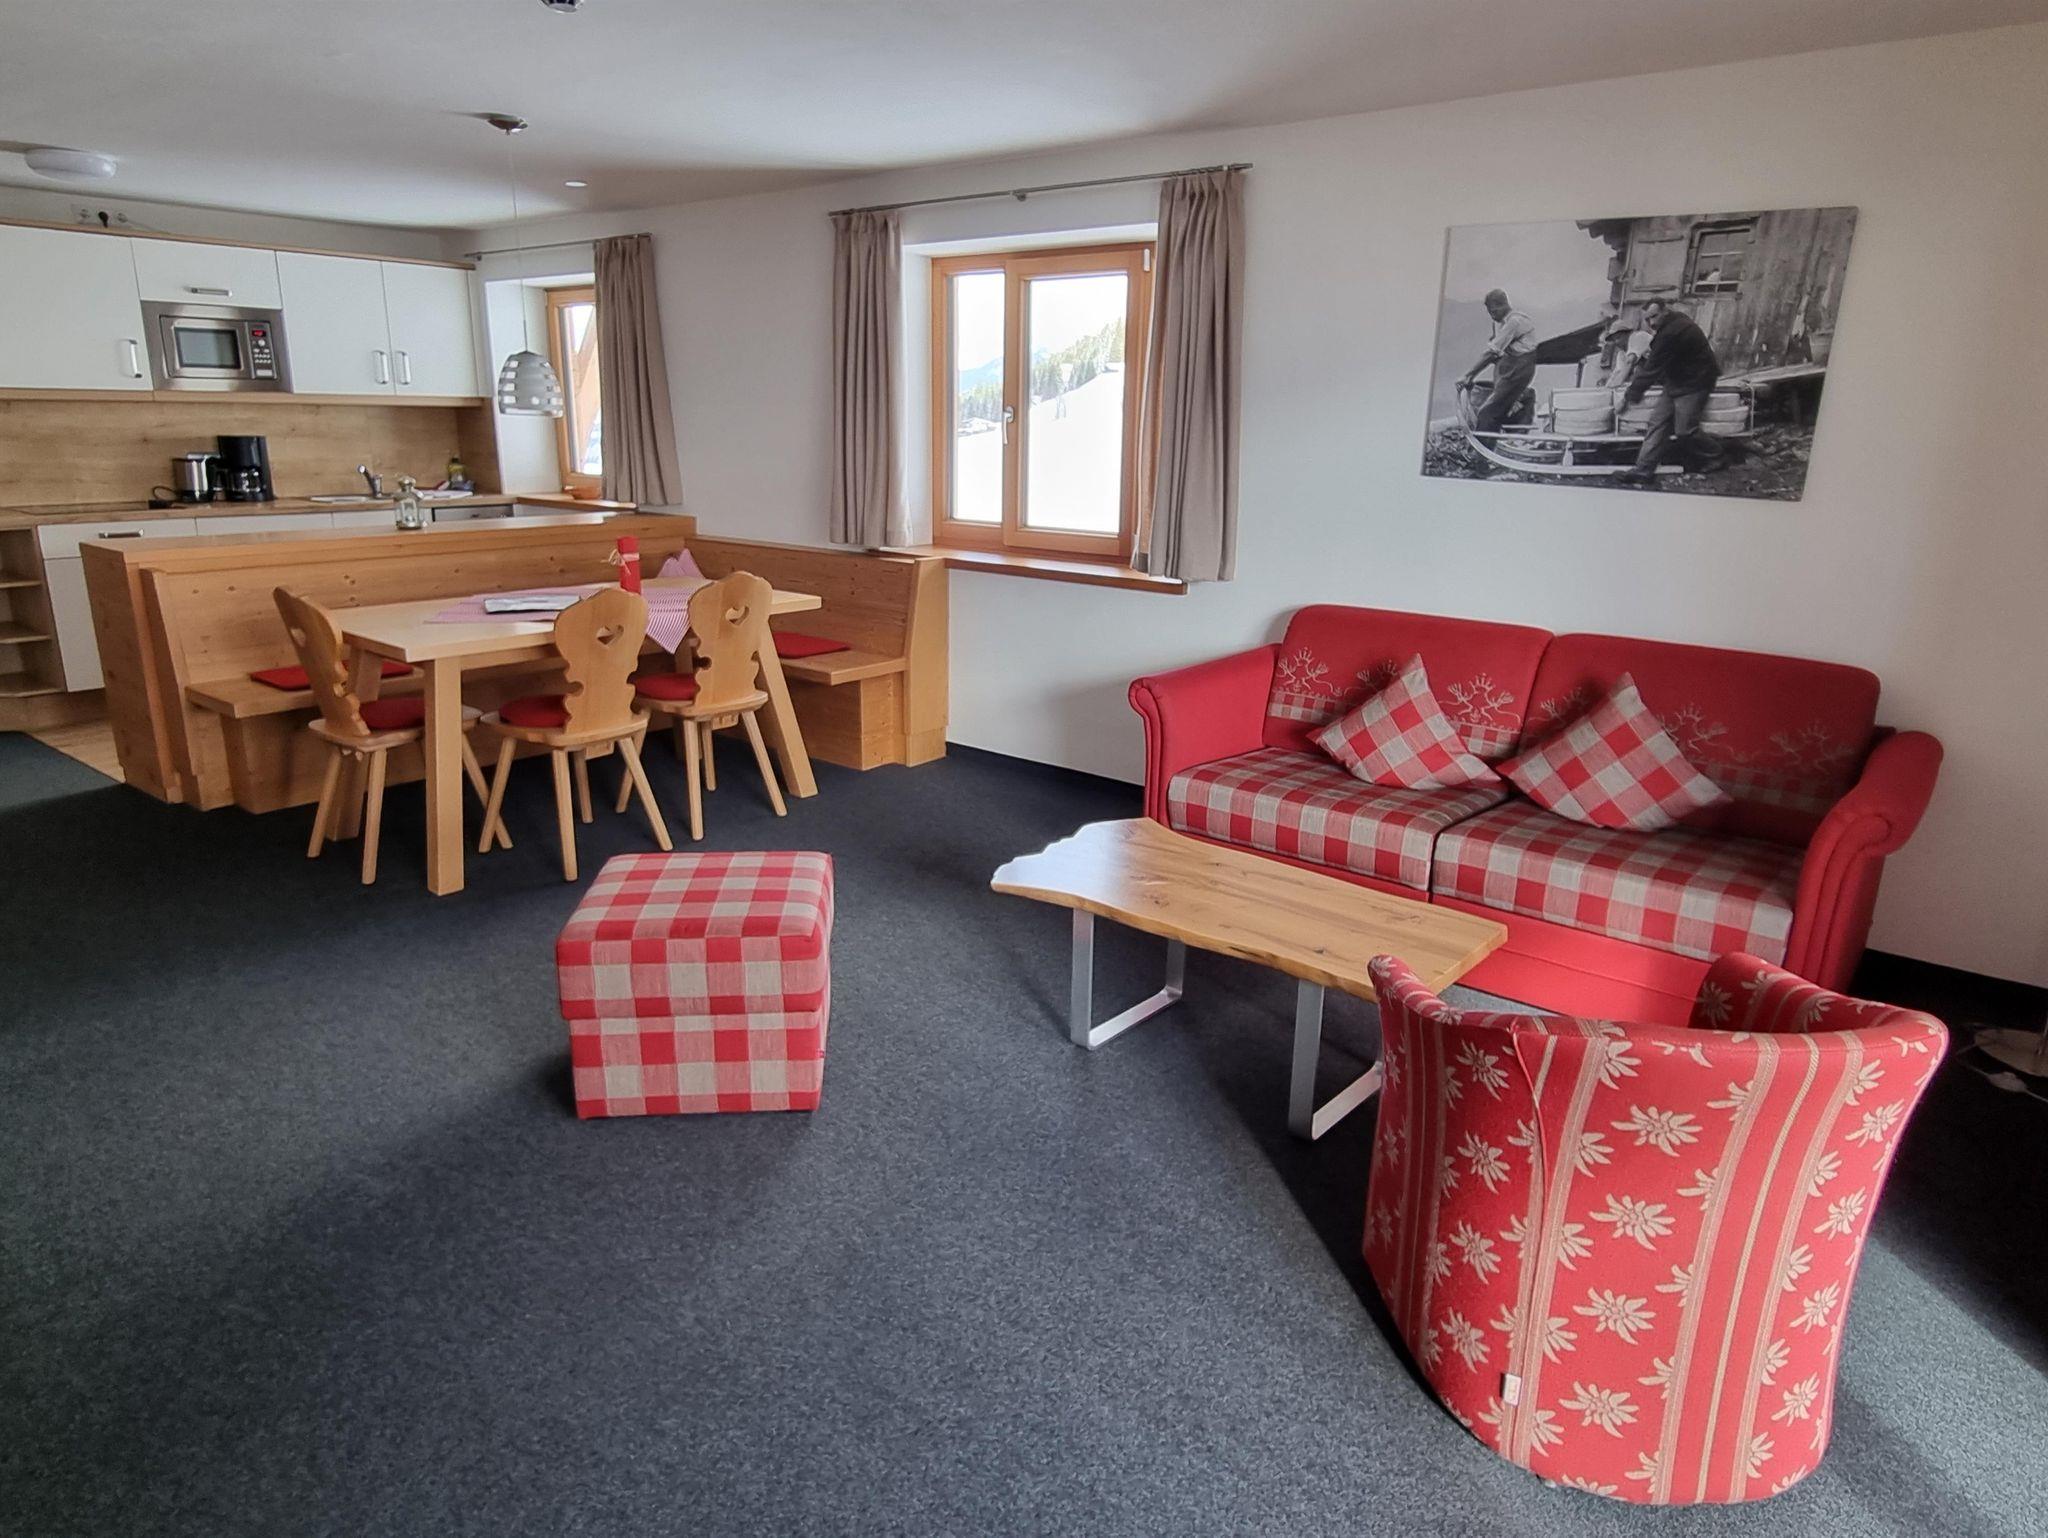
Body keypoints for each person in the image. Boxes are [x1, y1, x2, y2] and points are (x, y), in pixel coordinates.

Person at [1620, 298, 1725, 480]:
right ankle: (1643, 470)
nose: (1651, 323)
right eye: (1647, 319)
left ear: (1665, 311)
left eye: (1654, 316)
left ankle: (1717, 455)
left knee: (1685, 431)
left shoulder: (1673, 331)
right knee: (1657, 424)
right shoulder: (1673, 323)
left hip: (1695, 382)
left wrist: (1628, 397)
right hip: (1676, 382)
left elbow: (1651, 369)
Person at [1460, 288, 1537, 434]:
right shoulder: (1502, 323)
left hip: (1519, 370)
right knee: (1504, 407)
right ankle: (1522, 410)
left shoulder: (1514, 322)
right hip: (1510, 367)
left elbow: (1492, 352)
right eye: (1490, 312)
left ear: (1503, 305)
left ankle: (1484, 445)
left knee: (1487, 413)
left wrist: (1468, 375)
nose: (1492, 316)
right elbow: (1496, 353)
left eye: (1494, 311)